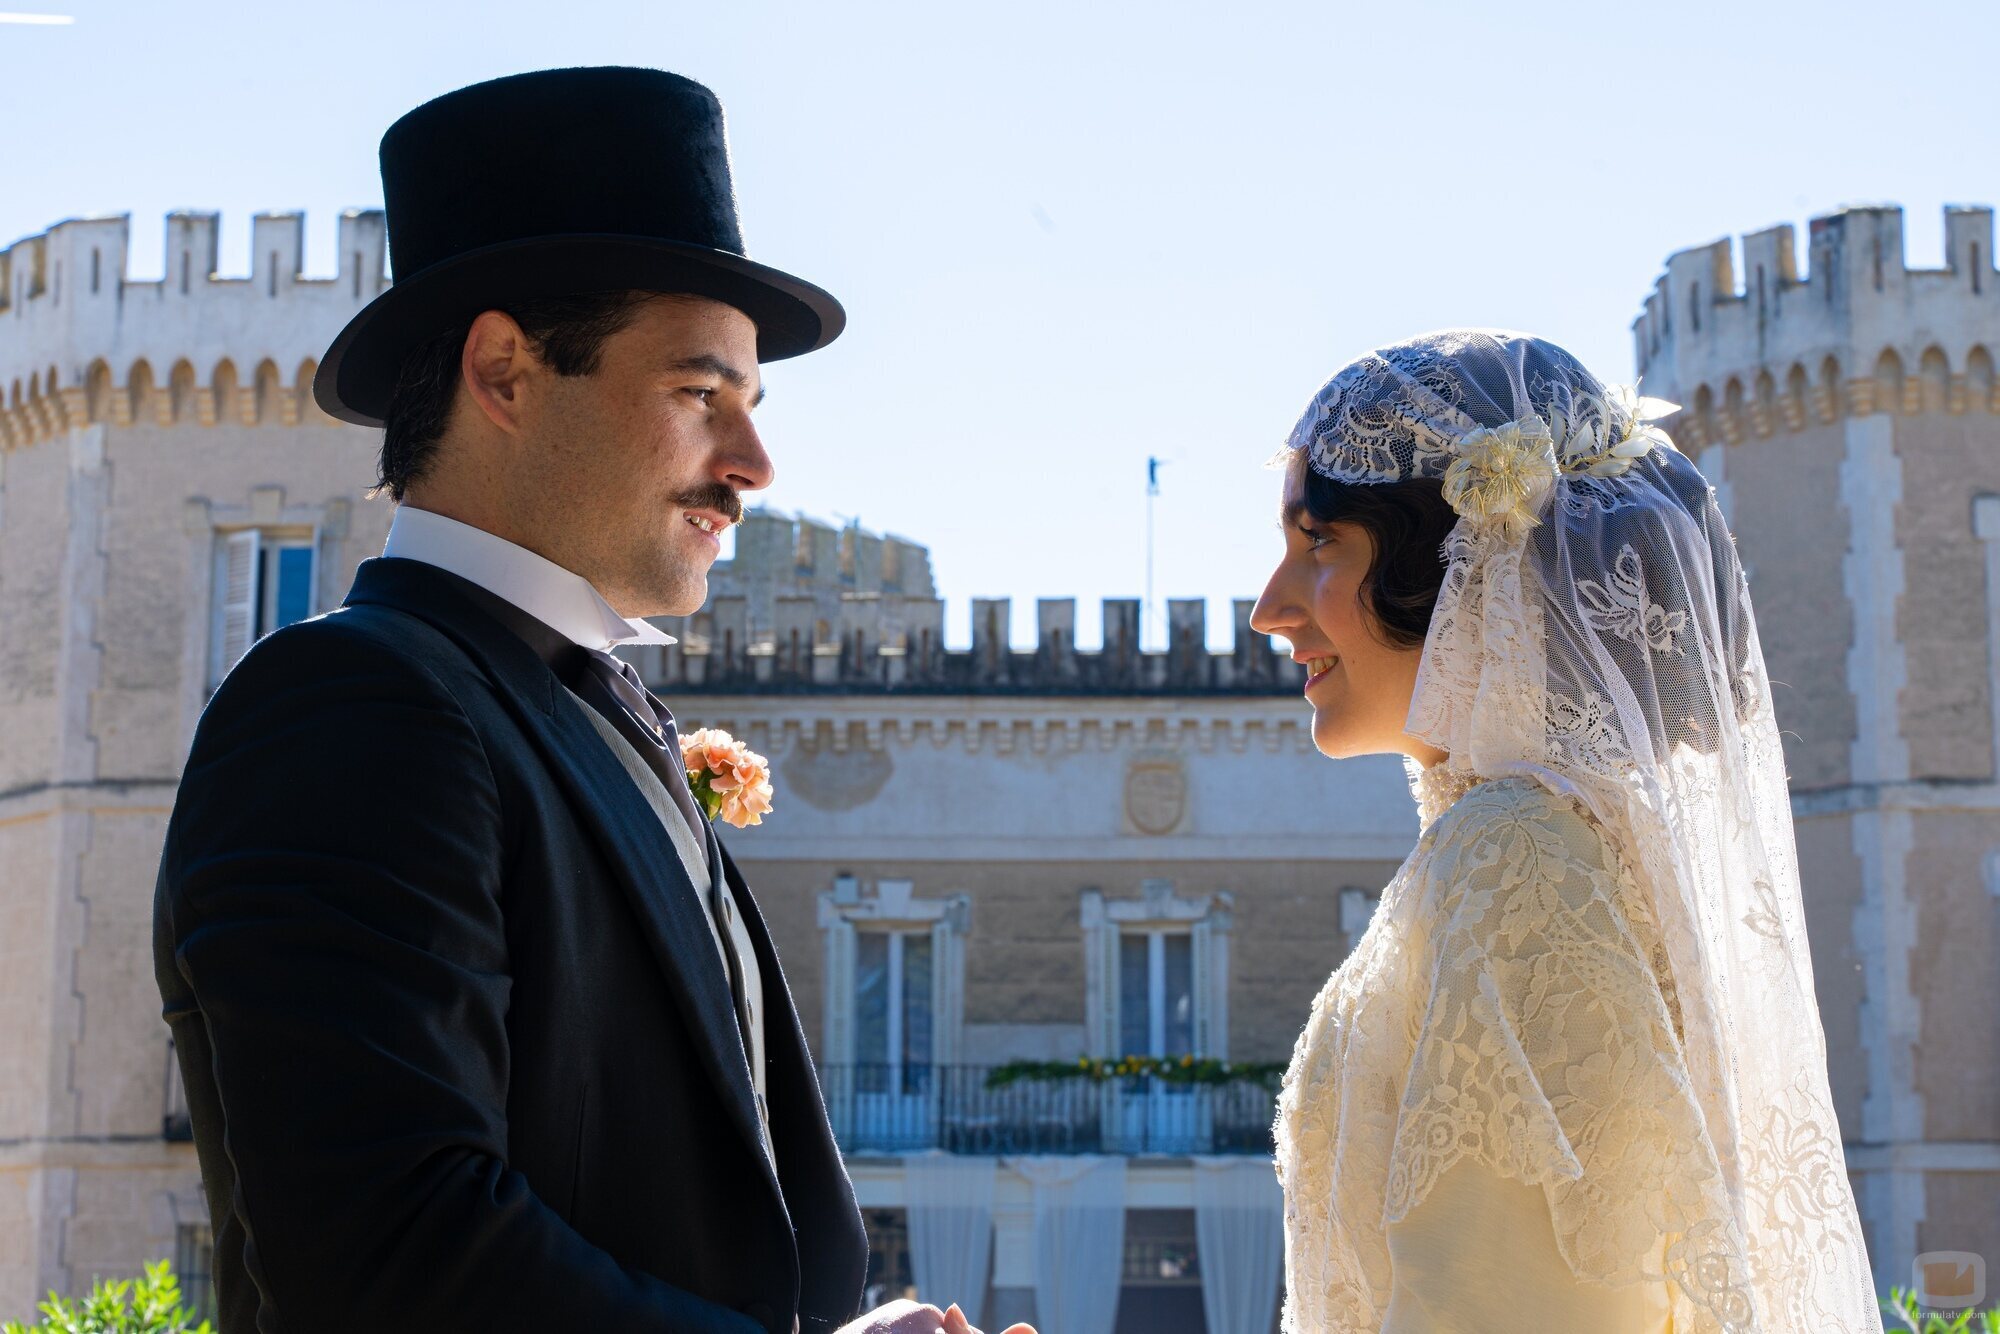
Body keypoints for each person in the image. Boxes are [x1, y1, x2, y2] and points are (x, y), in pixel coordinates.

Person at [152, 66, 1020, 1334]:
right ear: (504, 371)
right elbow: (391, 1258)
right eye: (697, 393)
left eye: (752, 405)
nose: (753, 465)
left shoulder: (563, 706)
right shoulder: (349, 704)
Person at [1254, 331, 1879, 1332]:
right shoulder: (1539, 842)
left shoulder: (1512, 856)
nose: (1266, 608)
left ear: (1458, 558)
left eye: (1317, 541)